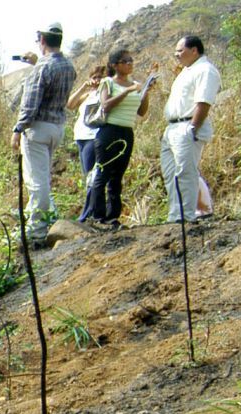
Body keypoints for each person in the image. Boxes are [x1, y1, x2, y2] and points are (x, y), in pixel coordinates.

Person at [11, 23, 77, 247]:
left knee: (36, 181)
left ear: (41, 40)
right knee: (43, 175)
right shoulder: (69, 66)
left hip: (38, 127)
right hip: (56, 127)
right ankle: (47, 219)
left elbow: (30, 104)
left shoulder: (42, 68)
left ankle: (37, 230)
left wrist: (18, 129)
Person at [85, 49, 156, 230]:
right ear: (115, 65)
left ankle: (113, 216)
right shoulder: (108, 82)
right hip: (109, 131)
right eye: (125, 61)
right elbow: (106, 105)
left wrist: (145, 92)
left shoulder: (134, 84)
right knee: (103, 173)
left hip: (126, 130)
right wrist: (127, 91)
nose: (130, 64)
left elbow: (141, 111)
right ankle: (98, 216)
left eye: (131, 61)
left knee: (118, 176)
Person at [160, 35, 221, 224]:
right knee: (171, 174)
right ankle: (175, 215)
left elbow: (204, 101)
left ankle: (186, 216)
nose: (176, 55)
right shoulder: (186, 72)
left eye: (180, 50)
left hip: (187, 126)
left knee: (185, 172)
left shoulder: (205, 70)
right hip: (173, 128)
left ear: (194, 50)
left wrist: (193, 127)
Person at [67, 65, 107, 222]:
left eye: (100, 77)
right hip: (81, 136)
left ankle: (89, 212)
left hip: (94, 136)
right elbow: (70, 104)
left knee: (93, 176)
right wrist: (84, 87)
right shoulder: (88, 95)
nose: (97, 80)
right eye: (95, 77)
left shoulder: (105, 93)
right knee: (88, 176)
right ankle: (94, 211)